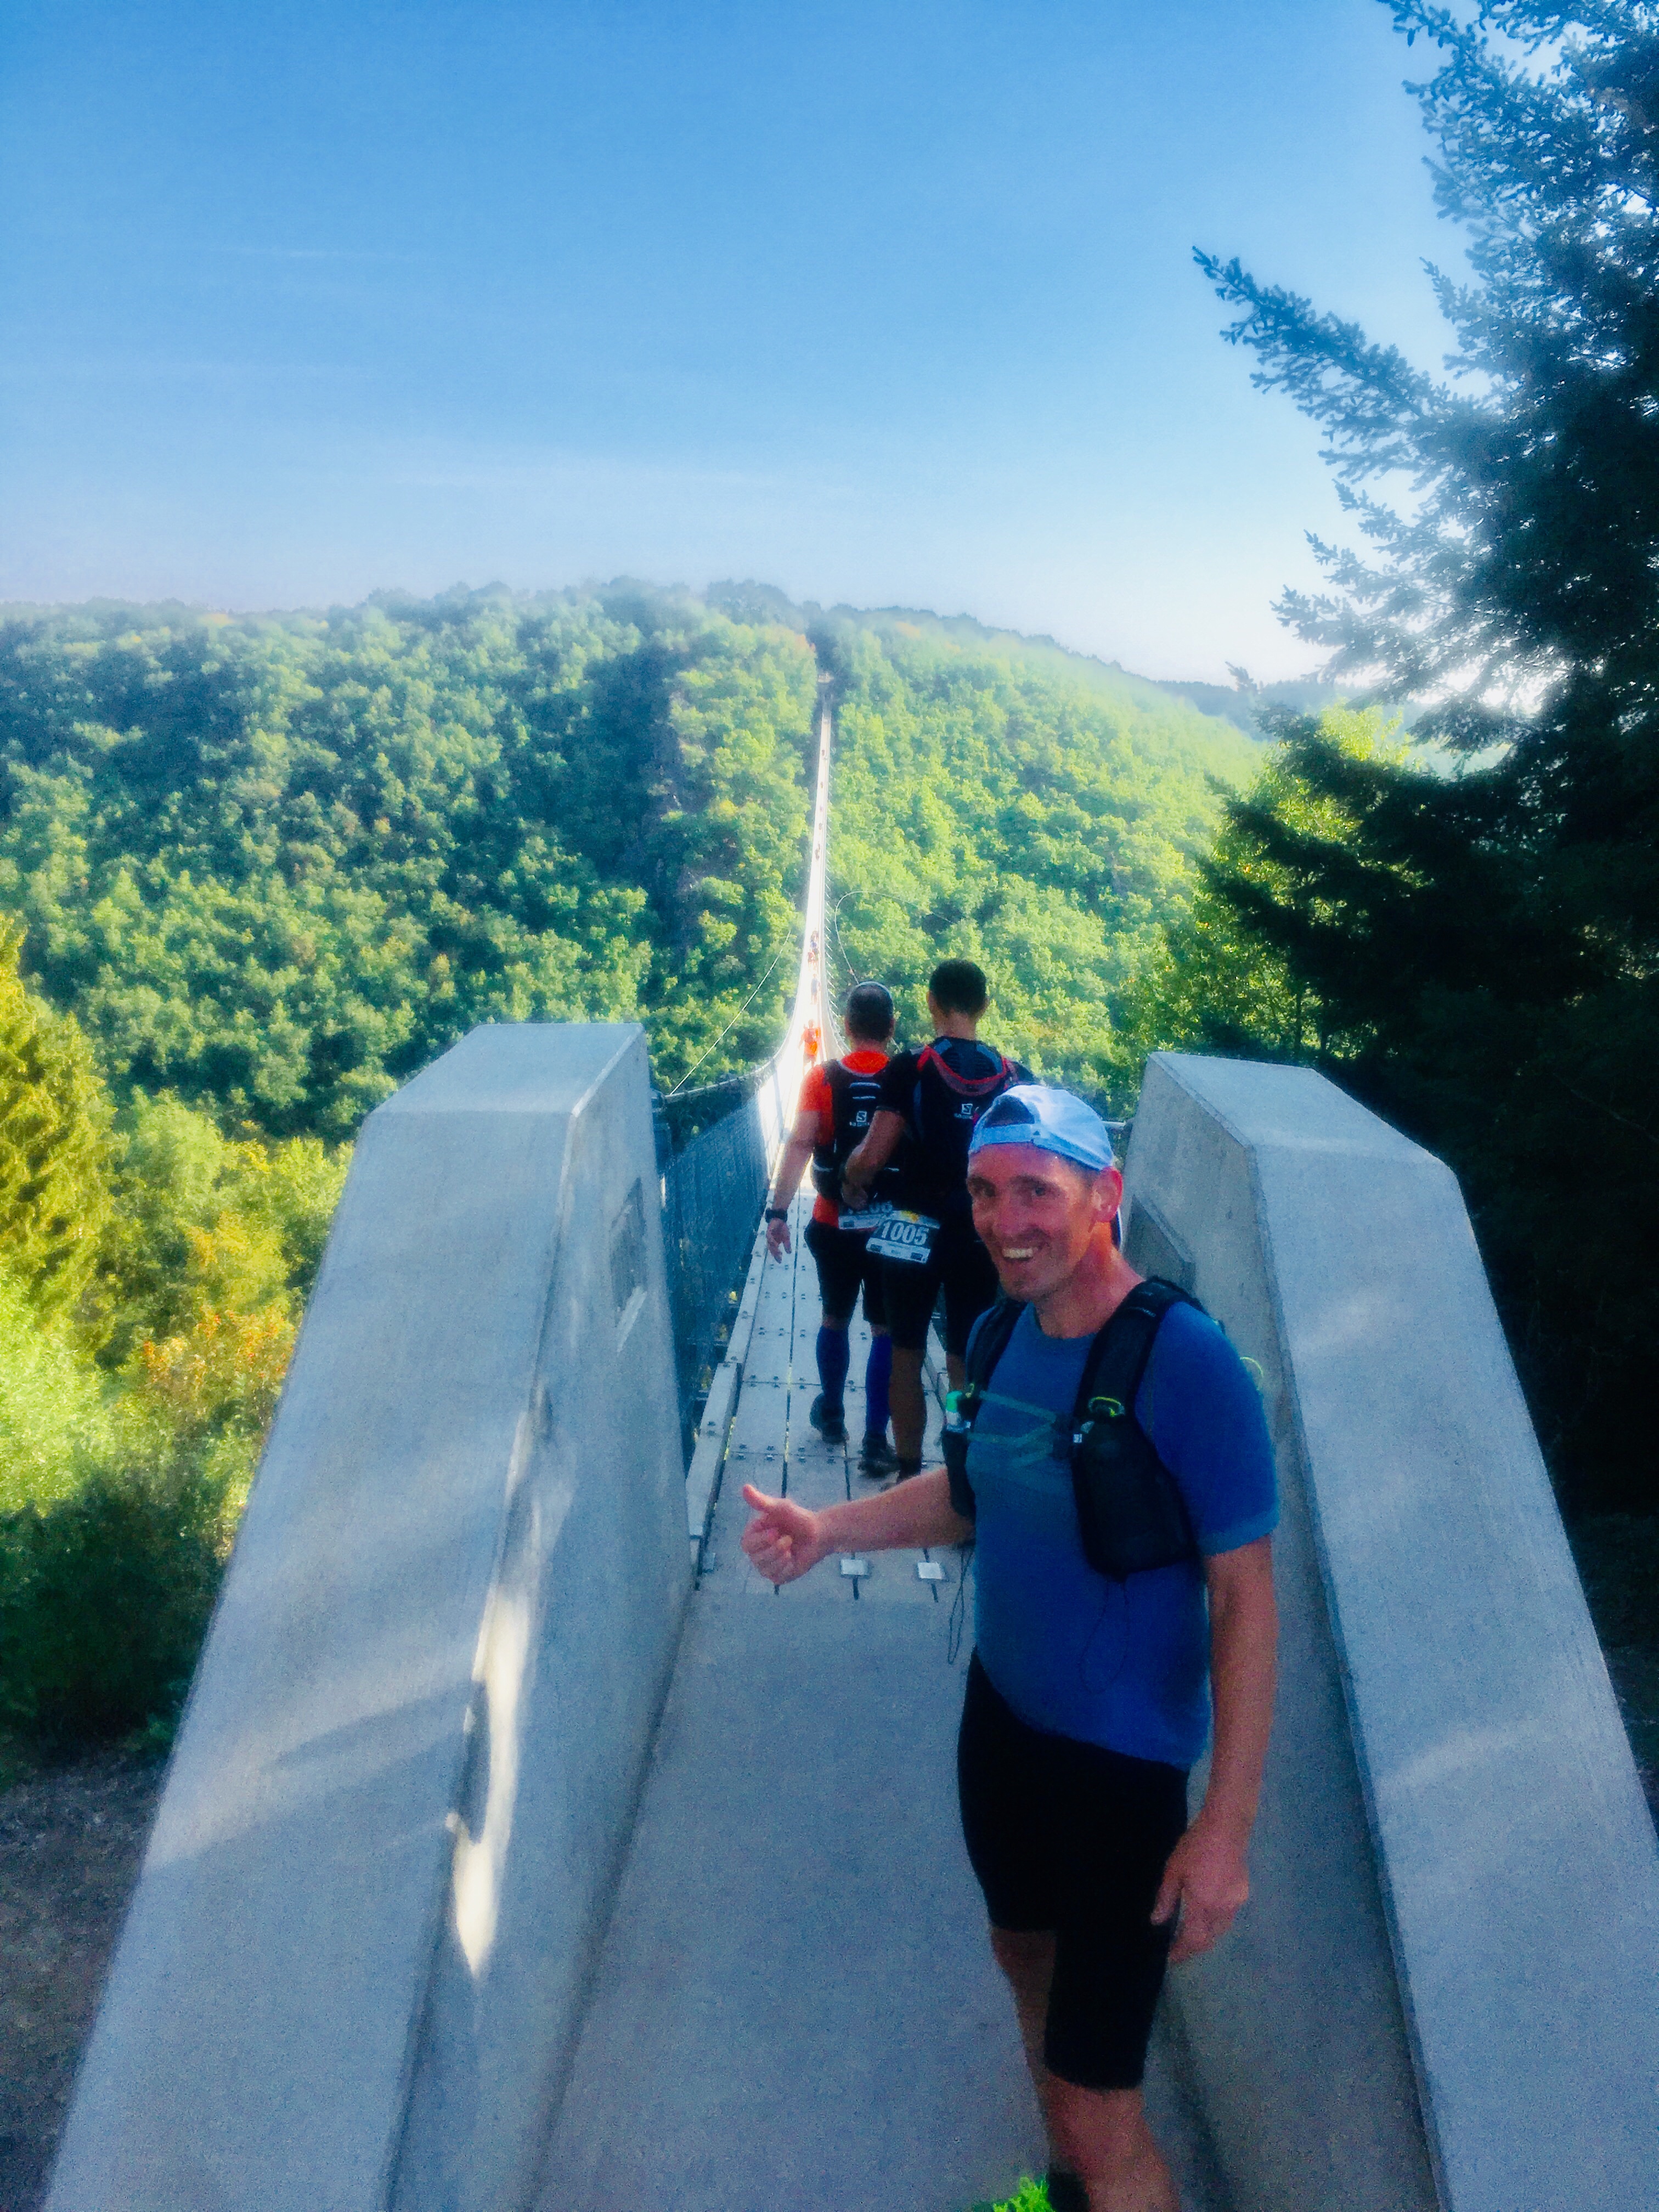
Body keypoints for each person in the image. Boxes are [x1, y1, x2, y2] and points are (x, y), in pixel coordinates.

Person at [741, 1085, 1278, 2212]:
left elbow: (1245, 1600)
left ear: (1104, 1195)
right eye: (984, 1193)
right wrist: (827, 1528)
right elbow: (971, 1494)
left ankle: (1092, 2172)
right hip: (1002, 1726)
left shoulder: (1187, 1362)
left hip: (1121, 1778)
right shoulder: (996, 1331)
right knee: (1021, 1957)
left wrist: (1223, 1831)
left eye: (1035, 1190)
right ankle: (1068, 2191)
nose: (1002, 1219)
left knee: (1100, 2109)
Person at [839, 958, 1029, 1480]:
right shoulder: (1014, 1076)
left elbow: (872, 1157)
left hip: (912, 1225)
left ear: (930, 1002)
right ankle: (961, 1472)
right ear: (985, 1006)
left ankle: (908, 1473)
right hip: (980, 1230)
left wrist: (850, 1178)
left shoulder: (910, 1068)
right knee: (965, 1357)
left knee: (906, 1349)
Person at [763, 980, 901, 1475]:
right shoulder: (908, 1077)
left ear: (845, 1024)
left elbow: (801, 1143)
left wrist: (779, 1213)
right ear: (891, 1027)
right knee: (885, 1330)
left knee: (834, 1319)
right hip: (891, 1229)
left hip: (831, 1222)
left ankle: (833, 1416)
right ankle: (876, 1439)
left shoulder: (821, 1077)